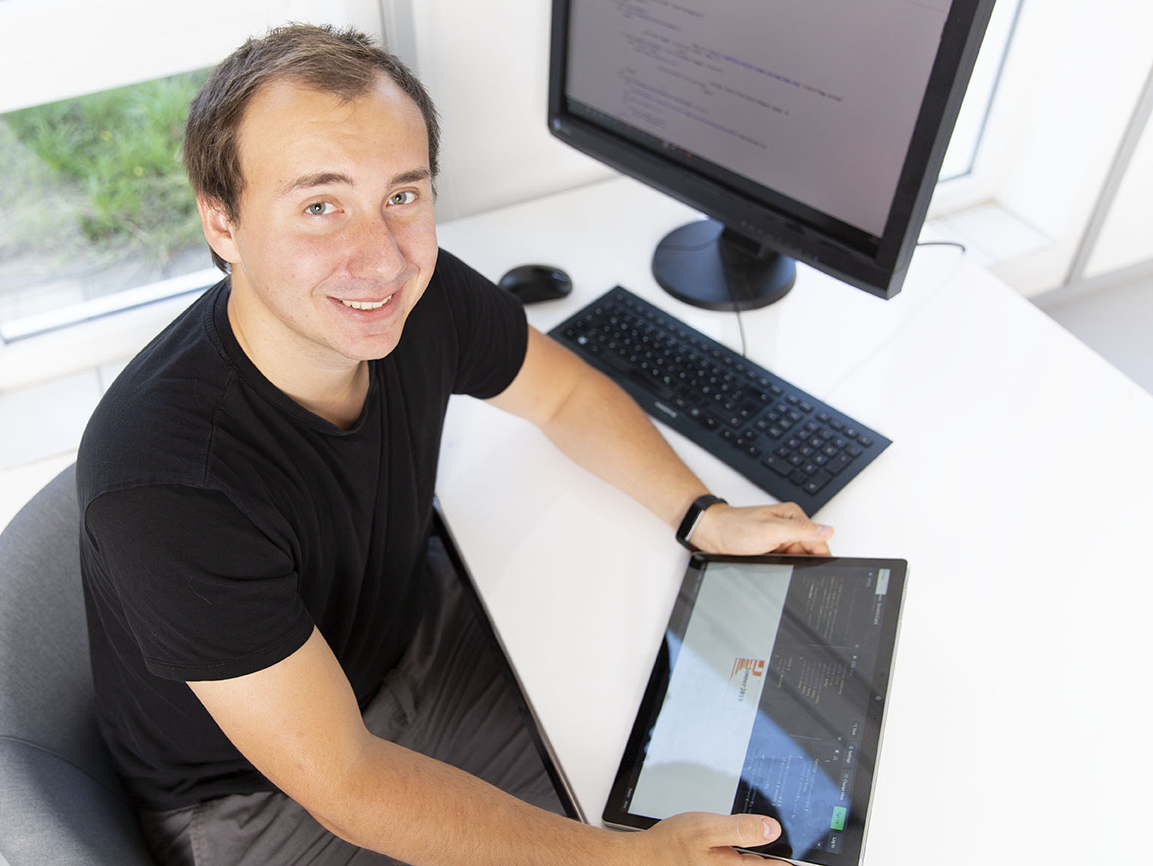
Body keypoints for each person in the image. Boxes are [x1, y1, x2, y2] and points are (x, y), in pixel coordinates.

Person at [77, 23, 834, 866]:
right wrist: (628, 861)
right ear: (223, 222)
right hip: (260, 799)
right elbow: (347, 783)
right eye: (320, 206)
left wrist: (700, 514)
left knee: (753, 763)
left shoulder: (411, 300)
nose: (380, 259)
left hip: (404, 647)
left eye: (402, 195)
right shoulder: (166, 485)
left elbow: (564, 393)